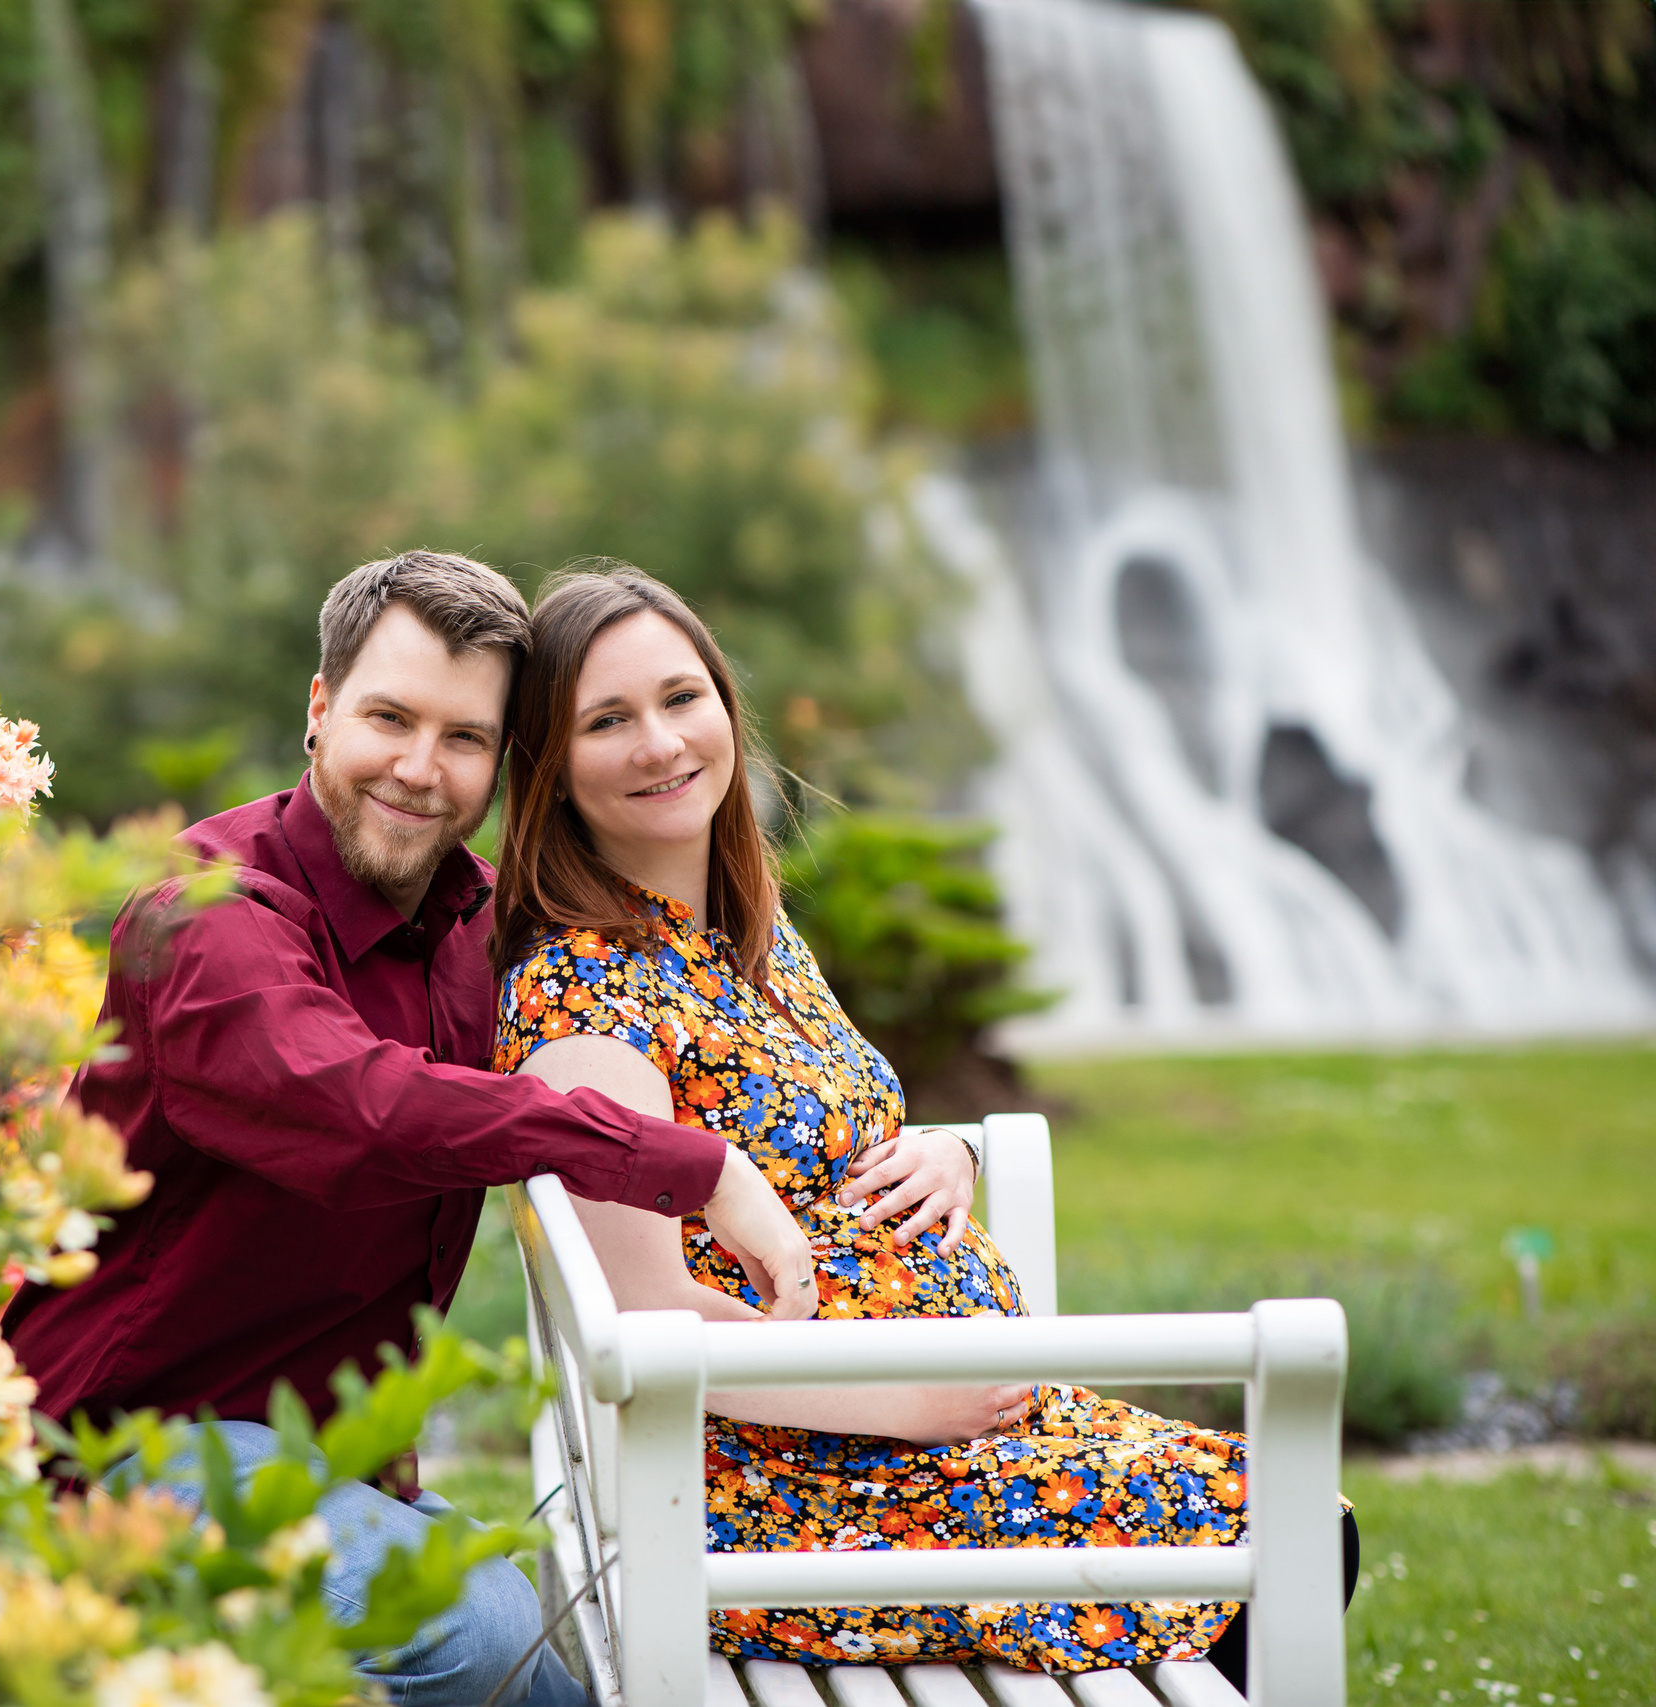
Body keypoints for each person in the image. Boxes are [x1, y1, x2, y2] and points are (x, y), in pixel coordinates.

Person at [3, 551, 851, 1707]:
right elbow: (356, 1105)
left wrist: (931, 1149)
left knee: (549, 1657)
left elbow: (676, 1016)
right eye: (387, 718)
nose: (418, 769)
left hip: (338, 1460)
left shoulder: (473, 926)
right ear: (318, 709)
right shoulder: (202, 914)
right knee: (483, 1633)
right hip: (121, 1449)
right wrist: (692, 1168)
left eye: (463, 739)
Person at [488, 564, 1353, 1684]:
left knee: (1295, 1511)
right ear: (551, 773)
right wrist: (913, 1397)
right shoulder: (586, 1004)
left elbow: (820, 1135)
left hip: (924, 1439)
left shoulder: (749, 943)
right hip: (801, 1491)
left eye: (679, 697)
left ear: (725, 709)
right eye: (607, 721)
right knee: (1281, 1533)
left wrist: (941, 1149)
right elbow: (650, 1323)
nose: (659, 743)